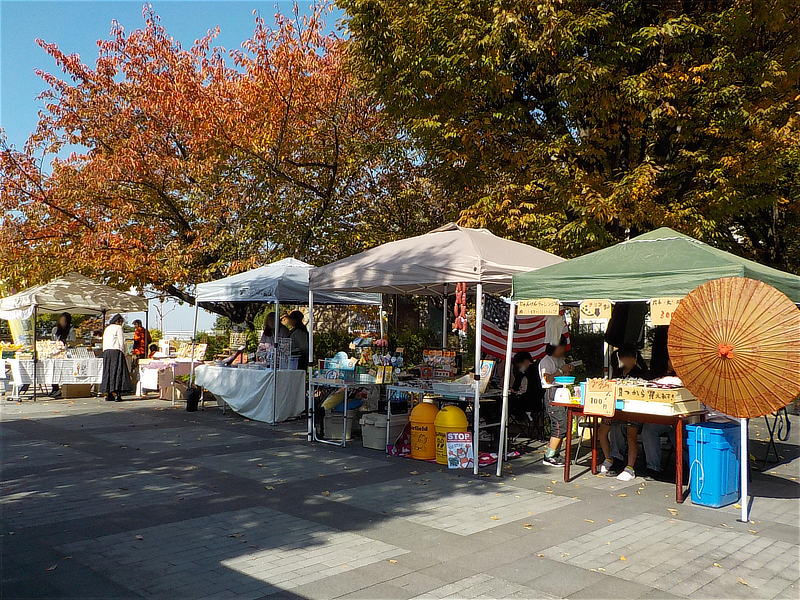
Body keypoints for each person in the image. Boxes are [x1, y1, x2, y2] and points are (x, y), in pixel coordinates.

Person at [598, 344, 649, 481]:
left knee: (631, 434)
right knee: (604, 430)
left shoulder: (640, 373)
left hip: (635, 410)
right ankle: (611, 458)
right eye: (625, 357)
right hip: (617, 410)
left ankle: (630, 467)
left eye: (630, 357)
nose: (628, 360)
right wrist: (608, 412)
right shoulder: (618, 372)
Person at [538, 335, 573, 466]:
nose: (562, 351)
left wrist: (567, 370)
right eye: (560, 348)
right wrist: (560, 370)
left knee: (564, 422)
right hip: (551, 392)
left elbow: (565, 377)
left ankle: (556, 453)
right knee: (559, 424)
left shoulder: (560, 360)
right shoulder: (546, 361)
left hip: (561, 390)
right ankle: (549, 455)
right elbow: (547, 379)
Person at [100, 314, 131, 402]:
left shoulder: (107, 328)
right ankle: (117, 394)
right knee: (118, 371)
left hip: (107, 351)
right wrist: (124, 352)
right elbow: (121, 341)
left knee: (108, 372)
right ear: (118, 321)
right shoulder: (118, 328)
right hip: (116, 351)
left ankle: (109, 394)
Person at [510, 351, 543, 421]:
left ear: (526, 361)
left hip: (530, 401)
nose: (519, 368)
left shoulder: (533, 371)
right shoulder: (533, 370)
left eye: (520, 366)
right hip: (533, 400)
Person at [49, 312, 76, 396]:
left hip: (66, 354)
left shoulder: (71, 330)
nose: (62, 322)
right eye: (61, 320)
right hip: (55, 353)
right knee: (53, 369)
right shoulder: (55, 329)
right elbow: (52, 340)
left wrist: (66, 343)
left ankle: (64, 388)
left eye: (64, 321)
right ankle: (55, 387)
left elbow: (72, 342)